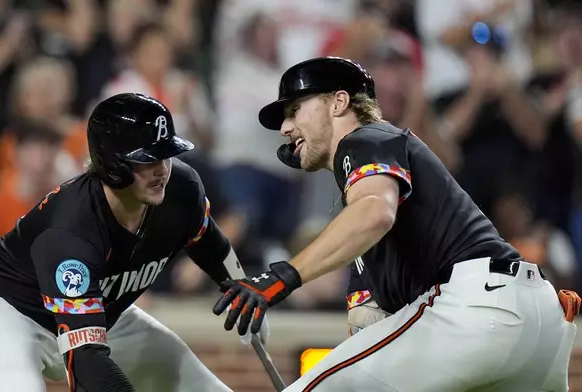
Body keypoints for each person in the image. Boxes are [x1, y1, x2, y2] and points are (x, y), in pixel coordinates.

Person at [213, 57, 580, 391]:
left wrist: (283, 276)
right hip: (538, 321)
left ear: (339, 103)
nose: (285, 128)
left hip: (478, 308)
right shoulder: (357, 224)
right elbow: (370, 331)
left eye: (295, 110)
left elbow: (375, 211)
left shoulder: (366, 138)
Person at [0, 93, 267, 392]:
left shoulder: (180, 189)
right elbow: (86, 362)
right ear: (111, 163)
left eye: (166, 155)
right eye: (147, 160)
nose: (162, 170)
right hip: (10, 310)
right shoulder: (71, 230)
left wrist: (244, 288)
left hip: (95, 311)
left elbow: (209, 243)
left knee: (198, 384)